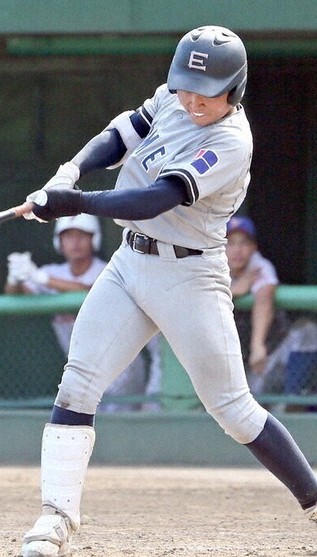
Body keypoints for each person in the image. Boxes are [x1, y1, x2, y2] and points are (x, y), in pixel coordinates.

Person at [17, 26, 317, 557]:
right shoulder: (174, 98)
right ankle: (55, 518)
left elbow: (156, 198)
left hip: (190, 276)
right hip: (130, 262)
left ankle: (314, 497)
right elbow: (121, 136)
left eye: (209, 88)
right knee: (78, 383)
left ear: (236, 89)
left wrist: (75, 202)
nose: (194, 98)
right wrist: (71, 169)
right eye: (186, 85)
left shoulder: (230, 141)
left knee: (233, 409)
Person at [5, 215, 162, 412]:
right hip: (80, 369)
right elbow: (16, 295)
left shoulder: (108, 269)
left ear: (93, 239)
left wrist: (42, 279)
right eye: (68, 236)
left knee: (119, 427)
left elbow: (89, 289)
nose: (75, 242)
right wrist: (15, 279)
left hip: (121, 367)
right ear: (59, 241)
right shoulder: (54, 272)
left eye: (82, 235)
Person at [226, 215, 317, 403]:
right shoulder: (211, 265)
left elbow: (265, 296)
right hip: (229, 359)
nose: (237, 250)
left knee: (308, 331)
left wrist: (257, 345)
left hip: (270, 352)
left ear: (253, 247)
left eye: (244, 243)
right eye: (231, 243)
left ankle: (293, 404)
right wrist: (234, 291)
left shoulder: (258, 265)